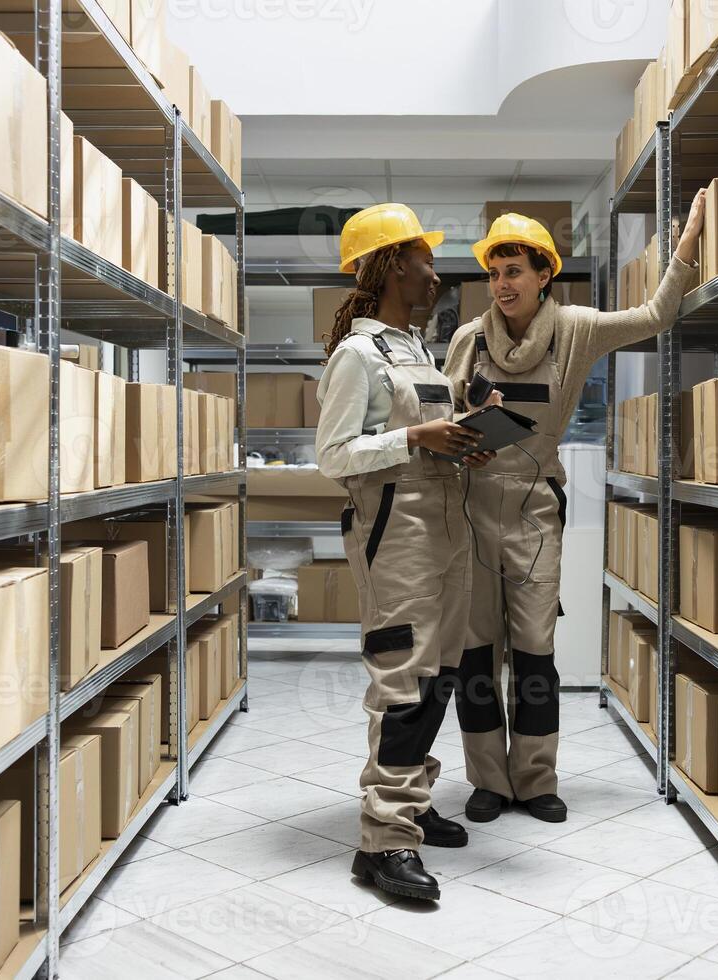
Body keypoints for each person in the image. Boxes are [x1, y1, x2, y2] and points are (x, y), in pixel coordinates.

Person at [441, 192, 707, 823]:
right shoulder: (466, 341)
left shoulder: (578, 328)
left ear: (543, 275)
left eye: (514, 271)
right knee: (477, 650)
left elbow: (655, 315)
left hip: (534, 510)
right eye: (494, 272)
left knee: (534, 646)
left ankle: (534, 780)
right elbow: (441, 419)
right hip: (472, 506)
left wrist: (687, 242)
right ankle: (488, 779)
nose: (502, 285)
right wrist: (463, 434)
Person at [315, 203, 499, 901]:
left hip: (446, 529)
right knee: (404, 683)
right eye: (425, 259)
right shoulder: (356, 355)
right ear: (394, 263)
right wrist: (416, 440)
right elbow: (332, 455)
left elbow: (431, 433)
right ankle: (382, 843)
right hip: (397, 536)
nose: (436, 273)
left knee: (440, 674)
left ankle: (412, 803)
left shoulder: (415, 351)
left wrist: (470, 430)